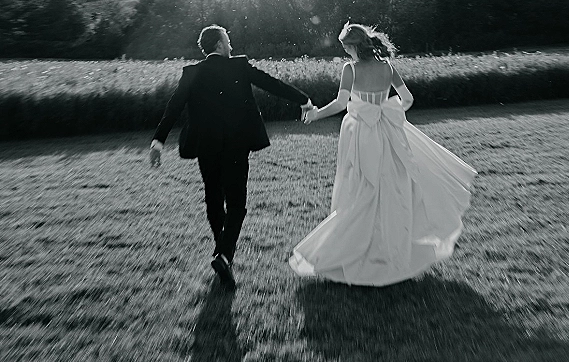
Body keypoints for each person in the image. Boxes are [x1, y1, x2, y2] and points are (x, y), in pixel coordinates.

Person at [289, 23, 477, 286]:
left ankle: (355, 249)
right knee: (391, 187)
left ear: (353, 46)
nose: (344, 51)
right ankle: (388, 248)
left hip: (360, 135)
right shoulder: (387, 67)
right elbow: (408, 99)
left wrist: (316, 114)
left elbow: (342, 104)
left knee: (361, 187)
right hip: (388, 134)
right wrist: (390, 112)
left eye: (345, 46)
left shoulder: (350, 69)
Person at [150, 25, 313, 288]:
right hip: (236, 145)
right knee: (237, 202)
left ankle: (221, 252)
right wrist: (303, 99)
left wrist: (158, 141)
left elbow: (173, 107)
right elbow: (272, 84)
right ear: (218, 44)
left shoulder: (192, 73)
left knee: (213, 196)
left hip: (205, 146)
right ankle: (224, 254)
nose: (231, 45)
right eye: (227, 41)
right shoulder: (239, 67)